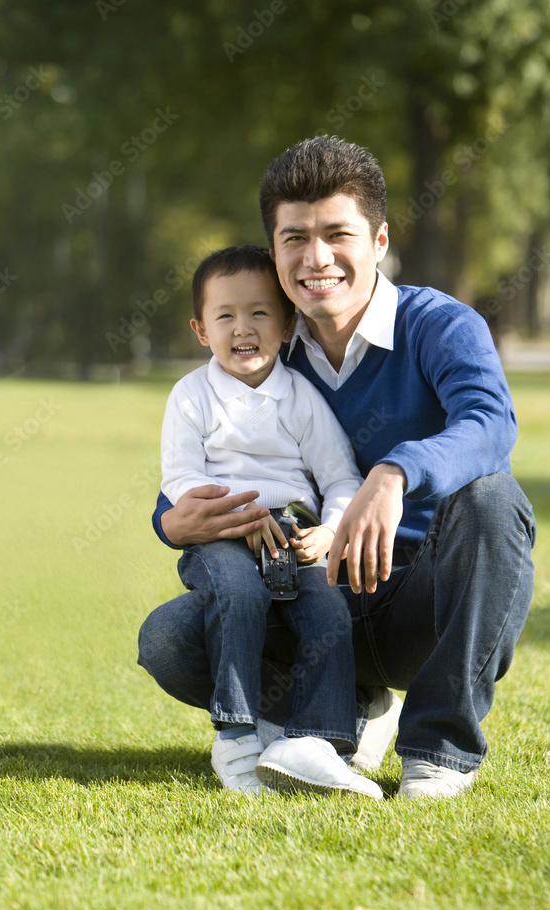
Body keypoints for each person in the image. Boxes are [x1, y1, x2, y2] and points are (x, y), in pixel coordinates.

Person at [139, 136, 536, 800]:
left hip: (422, 607)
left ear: (378, 241)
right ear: (273, 252)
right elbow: (208, 460)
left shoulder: (439, 326)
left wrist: (395, 471)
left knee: (495, 501)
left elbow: (489, 424)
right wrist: (170, 520)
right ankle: (345, 704)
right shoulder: (261, 349)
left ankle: (438, 750)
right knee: (170, 640)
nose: (315, 257)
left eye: (336, 234)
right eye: (294, 238)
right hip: (304, 599)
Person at [159, 244, 382, 799]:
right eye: (225, 315)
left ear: (286, 326)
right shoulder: (191, 397)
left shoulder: (300, 397)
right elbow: (178, 479)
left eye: (259, 313)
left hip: (294, 534)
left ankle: (324, 744)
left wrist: (330, 531)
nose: (243, 328)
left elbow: (340, 478)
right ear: (200, 329)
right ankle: (237, 733)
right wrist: (232, 516)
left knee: (326, 607)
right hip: (223, 534)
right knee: (238, 593)